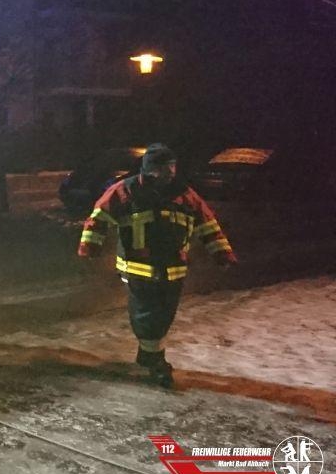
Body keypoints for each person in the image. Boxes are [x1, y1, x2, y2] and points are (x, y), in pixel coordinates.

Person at [78, 143, 237, 387]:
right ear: (149, 169)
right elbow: (99, 217)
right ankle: (156, 363)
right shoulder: (126, 191)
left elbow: (207, 224)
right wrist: (90, 246)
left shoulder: (184, 194)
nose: (169, 172)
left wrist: (222, 253)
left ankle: (147, 355)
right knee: (147, 314)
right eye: (164, 168)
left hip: (174, 270)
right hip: (137, 268)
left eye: (172, 167)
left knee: (164, 315)